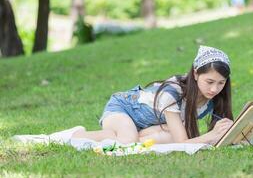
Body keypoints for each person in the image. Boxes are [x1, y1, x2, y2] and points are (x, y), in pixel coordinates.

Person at [65, 45, 233, 145]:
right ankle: (78, 134)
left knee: (168, 139)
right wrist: (210, 136)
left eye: (221, 83)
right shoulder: (173, 93)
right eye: (209, 82)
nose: (214, 89)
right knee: (128, 143)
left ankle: (128, 135)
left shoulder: (212, 98)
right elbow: (184, 144)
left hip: (146, 125)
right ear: (195, 74)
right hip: (123, 109)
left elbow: (184, 139)